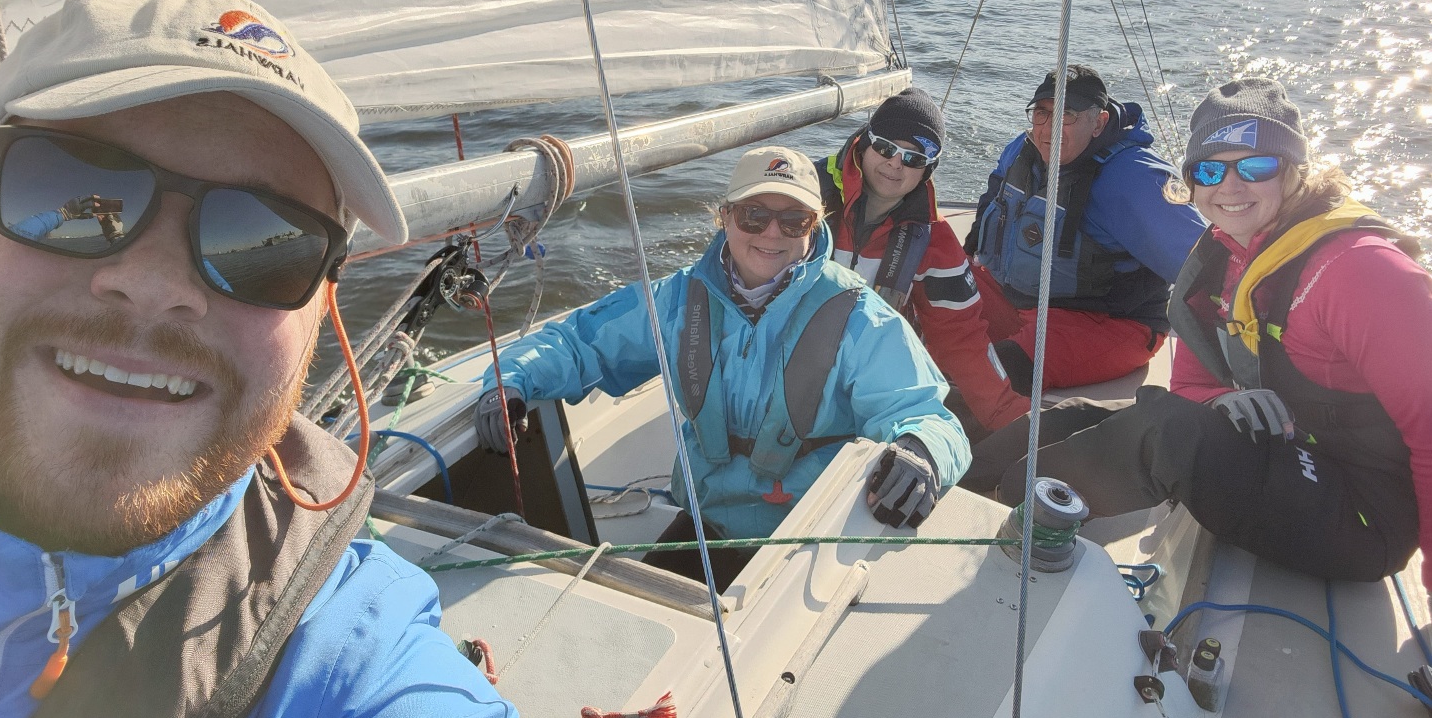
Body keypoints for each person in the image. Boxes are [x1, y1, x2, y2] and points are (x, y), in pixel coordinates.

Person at [0, 0, 552, 718]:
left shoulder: (360, 668)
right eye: (72, 189)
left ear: (323, 310)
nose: (156, 283)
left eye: (266, 242)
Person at [963, 78, 1432, 587]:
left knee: (1170, 431)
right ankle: (957, 481)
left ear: (1294, 169)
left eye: (1255, 166)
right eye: (1210, 170)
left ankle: (1010, 511)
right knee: (1077, 415)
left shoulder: (1361, 270)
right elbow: (1189, 384)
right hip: (1292, 449)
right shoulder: (1224, 255)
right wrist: (1219, 401)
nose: (1229, 186)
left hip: (1363, 514)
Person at [476, 145, 971, 586]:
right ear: (725, 217)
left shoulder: (859, 315)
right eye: (754, 216)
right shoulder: (676, 299)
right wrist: (509, 382)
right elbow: (579, 343)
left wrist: (921, 450)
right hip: (706, 519)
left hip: (808, 539)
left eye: (793, 221)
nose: (771, 233)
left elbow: (929, 416)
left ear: (815, 226)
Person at [965, 65, 1207, 392]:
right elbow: (992, 195)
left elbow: (1203, 265)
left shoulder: (1135, 178)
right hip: (1020, 301)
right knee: (930, 286)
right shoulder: (1021, 150)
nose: (1048, 129)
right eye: (1041, 113)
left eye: (1066, 115)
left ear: (1099, 122)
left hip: (1107, 324)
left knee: (986, 373)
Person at [816, 88, 1028, 435]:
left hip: (867, 378)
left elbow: (962, 339)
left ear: (928, 169)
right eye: (886, 148)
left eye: (914, 158)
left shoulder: (933, 240)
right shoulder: (805, 196)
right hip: (788, 362)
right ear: (866, 143)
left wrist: (1014, 423)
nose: (895, 164)